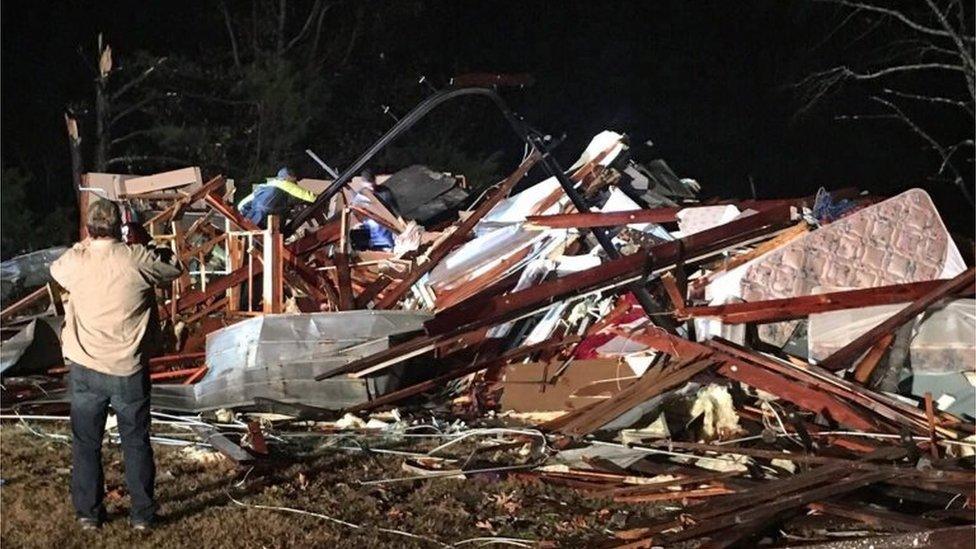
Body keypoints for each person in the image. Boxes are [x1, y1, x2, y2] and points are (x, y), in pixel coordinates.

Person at [50, 199, 183, 531]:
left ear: (89, 229)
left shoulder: (75, 262)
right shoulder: (137, 260)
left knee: (85, 443)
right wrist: (144, 242)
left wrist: (87, 242)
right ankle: (142, 515)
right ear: (121, 227)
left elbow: (56, 269)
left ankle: (88, 514)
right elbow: (175, 268)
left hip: (84, 368)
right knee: (136, 441)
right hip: (128, 369)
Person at [237, 167, 316, 228]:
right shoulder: (287, 185)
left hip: (251, 220)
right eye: (295, 180)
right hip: (269, 226)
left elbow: (241, 205)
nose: (296, 183)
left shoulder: (264, 186)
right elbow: (311, 198)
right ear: (289, 178)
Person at [351, 170, 397, 251]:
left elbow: (395, 212)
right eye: (369, 187)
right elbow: (356, 215)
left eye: (373, 186)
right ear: (363, 184)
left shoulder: (385, 192)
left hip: (386, 233)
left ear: (375, 181)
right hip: (369, 235)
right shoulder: (360, 197)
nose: (372, 188)